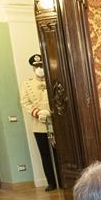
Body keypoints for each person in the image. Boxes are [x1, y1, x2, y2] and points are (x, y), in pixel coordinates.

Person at [19, 54, 59, 191]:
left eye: (41, 65)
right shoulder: (27, 84)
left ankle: (62, 180)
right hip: (39, 124)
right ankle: (51, 182)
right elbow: (25, 102)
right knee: (45, 154)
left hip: (55, 123)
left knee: (59, 153)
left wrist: (51, 112)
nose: (40, 69)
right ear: (33, 68)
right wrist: (37, 113)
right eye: (37, 66)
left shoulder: (53, 80)